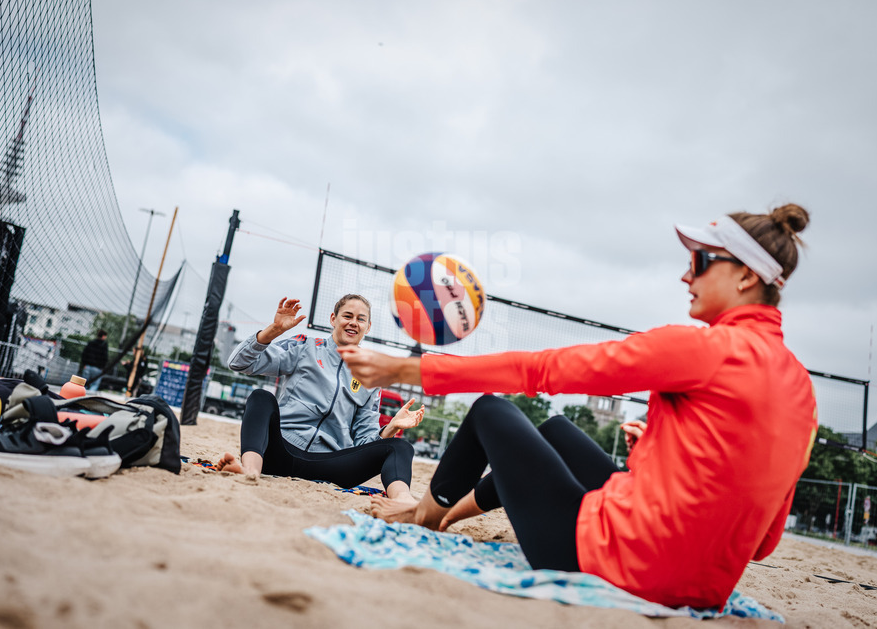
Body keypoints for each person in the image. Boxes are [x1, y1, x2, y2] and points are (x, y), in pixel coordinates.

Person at [340, 204, 818, 610]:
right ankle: (452, 513)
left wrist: (405, 370)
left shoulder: (707, 349)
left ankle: (423, 515)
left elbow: (543, 369)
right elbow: (762, 545)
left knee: (490, 410)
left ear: (747, 275)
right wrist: (660, 454)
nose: (686, 273)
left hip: (619, 563)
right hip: (705, 590)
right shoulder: (802, 390)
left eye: (701, 260)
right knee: (557, 430)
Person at [216, 295, 425, 507]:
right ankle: (249, 472)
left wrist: (391, 427)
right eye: (347, 316)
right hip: (280, 451)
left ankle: (404, 502)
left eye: (361, 319)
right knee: (261, 397)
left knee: (401, 446)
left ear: (367, 327)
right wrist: (274, 330)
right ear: (333, 319)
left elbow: (364, 442)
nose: (353, 322)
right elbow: (238, 363)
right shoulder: (304, 346)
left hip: (330, 464)